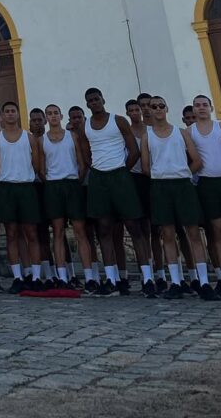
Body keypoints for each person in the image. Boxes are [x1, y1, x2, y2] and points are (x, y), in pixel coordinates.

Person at [141, 96, 217, 301]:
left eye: (160, 106)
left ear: (167, 108)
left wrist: (182, 173)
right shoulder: (148, 137)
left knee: (192, 232)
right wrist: (161, 175)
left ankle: (203, 282)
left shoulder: (181, 133)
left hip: (183, 185)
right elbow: (146, 166)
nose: (157, 109)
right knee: (167, 234)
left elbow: (197, 160)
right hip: (160, 186)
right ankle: (175, 281)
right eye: (153, 106)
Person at [79, 87, 153, 297]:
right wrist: (98, 169)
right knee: (103, 228)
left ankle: (147, 278)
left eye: (96, 99)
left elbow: (134, 151)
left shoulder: (118, 121)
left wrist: (121, 170)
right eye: (90, 101)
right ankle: (111, 279)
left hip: (120, 175)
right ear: (87, 104)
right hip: (99, 178)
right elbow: (86, 154)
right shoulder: (86, 126)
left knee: (134, 226)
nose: (94, 103)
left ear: (103, 99)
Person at [0, 101, 42, 294]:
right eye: (6, 111)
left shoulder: (29, 137)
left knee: (31, 234)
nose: (10, 114)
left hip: (26, 187)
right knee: (10, 234)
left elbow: (36, 164)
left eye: (13, 111)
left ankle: (35, 276)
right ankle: (17, 277)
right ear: (2, 116)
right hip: (6, 188)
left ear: (18, 114)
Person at [40, 104, 96, 292]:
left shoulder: (72, 137)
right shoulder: (42, 140)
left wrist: (75, 180)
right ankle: (62, 276)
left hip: (72, 184)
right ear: (46, 117)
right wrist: (50, 182)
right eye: (50, 114)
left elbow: (81, 163)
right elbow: (40, 167)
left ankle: (89, 277)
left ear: (62, 116)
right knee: (57, 231)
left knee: (80, 231)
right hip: (53, 185)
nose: (53, 116)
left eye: (56, 113)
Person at [189, 94, 221, 297]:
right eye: (197, 105)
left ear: (211, 107)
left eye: (204, 105)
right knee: (218, 230)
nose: (201, 108)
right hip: (207, 183)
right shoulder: (189, 133)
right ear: (193, 109)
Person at [125, 97, 164, 293]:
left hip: (153, 179)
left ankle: (161, 272)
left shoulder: (153, 132)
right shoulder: (127, 132)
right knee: (139, 229)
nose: (141, 111)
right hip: (134, 180)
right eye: (138, 108)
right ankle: (146, 273)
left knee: (156, 230)